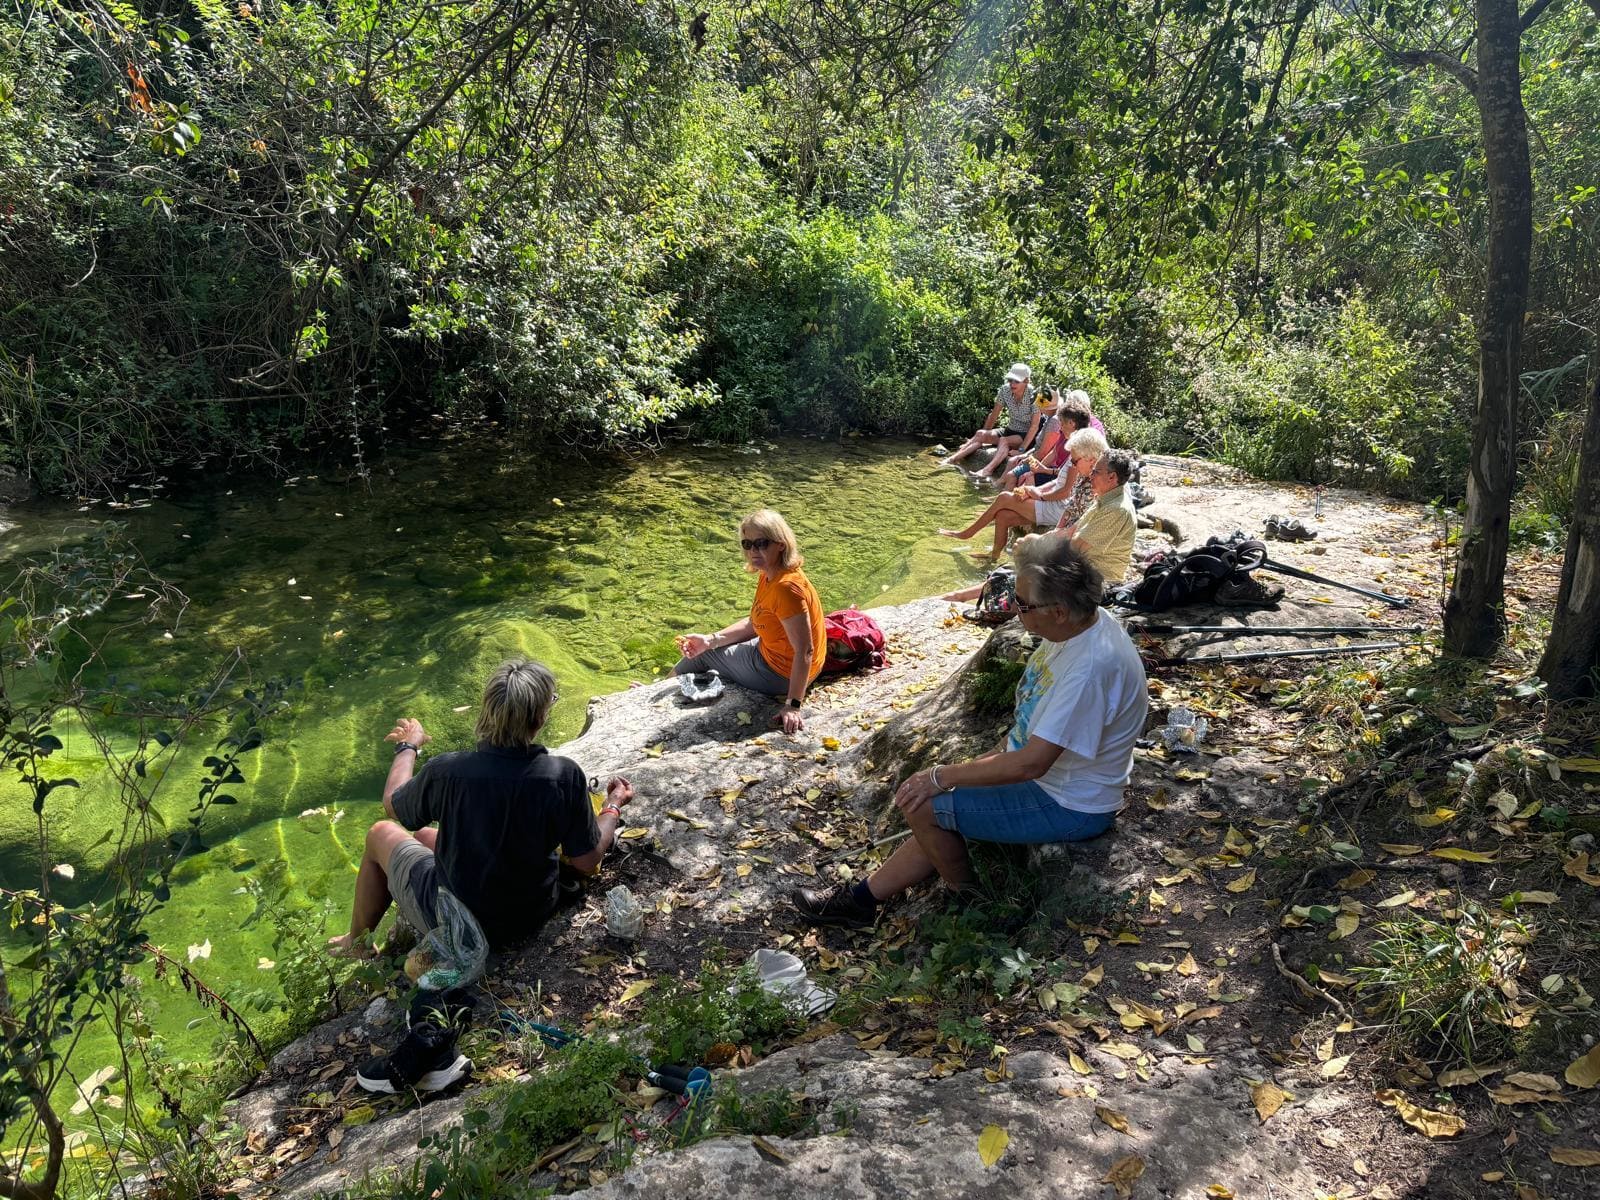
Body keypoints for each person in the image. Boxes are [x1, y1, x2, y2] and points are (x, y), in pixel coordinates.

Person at [793, 536, 1148, 927]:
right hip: (1056, 783)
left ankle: (972, 901)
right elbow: (1030, 740)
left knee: (926, 805)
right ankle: (862, 898)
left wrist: (939, 776)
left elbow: (1031, 765)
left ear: (1060, 611)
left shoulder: (1089, 669)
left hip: (1070, 803)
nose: (1015, 610)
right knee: (937, 797)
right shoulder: (1078, 629)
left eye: (1023, 604)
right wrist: (968, 772)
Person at [327, 659, 632, 959]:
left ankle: (355, 944)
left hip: (460, 924)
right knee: (422, 835)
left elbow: (394, 804)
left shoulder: (447, 772)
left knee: (380, 833)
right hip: (529, 912)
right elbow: (586, 859)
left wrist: (409, 747)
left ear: (488, 711)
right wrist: (611, 806)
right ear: (539, 719)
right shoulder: (563, 775)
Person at [674, 509, 825, 735]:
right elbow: (757, 622)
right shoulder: (771, 573)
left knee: (703, 654)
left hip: (780, 673)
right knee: (708, 646)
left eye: (761, 543)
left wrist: (793, 704)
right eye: (747, 544)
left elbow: (804, 651)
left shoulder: (785, 588)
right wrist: (711, 639)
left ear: (781, 544)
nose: (753, 551)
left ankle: (651, 690)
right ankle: (661, 684)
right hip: (777, 657)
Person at [939, 427, 1109, 559]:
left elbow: (1068, 499)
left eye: (1074, 460)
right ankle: (994, 556)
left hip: (1057, 511)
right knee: (1003, 516)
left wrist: (1038, 495)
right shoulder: (1083, 470)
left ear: (1091, 459)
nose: (1072, 463)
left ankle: (967, 533)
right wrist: (1034, 492)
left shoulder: (1097, 485)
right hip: (1058, 511)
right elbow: (1063, 492)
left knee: (1005, 497)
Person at [941, 363, 1041, 478]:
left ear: (1026, 381)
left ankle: (987, 470)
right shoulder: (1005, 390)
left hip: (1026, 434)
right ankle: (951, 460)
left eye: (1016, 381)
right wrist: (982, 436)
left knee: (1004, 440)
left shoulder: (1034, 395)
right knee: (980, 434)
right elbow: (994, 415)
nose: (1012, 384)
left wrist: (1021, 450)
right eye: (1010, 380)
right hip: (1010, 429)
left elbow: (1034, 426)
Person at [1056, 449, 1138, 586]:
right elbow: (1071, 532)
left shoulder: (1116, 509)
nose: (1091, 475)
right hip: (1084, 570)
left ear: (1112, 477)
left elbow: (1076, 547)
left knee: (1032, 578)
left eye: (1095, 472)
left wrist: (1039, 549)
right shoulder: (1104, 499)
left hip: (1098, 581)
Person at [1000, 396, 1092, 490]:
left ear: (1071, 423)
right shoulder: (1064, 433)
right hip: (1052, 472)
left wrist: (1041, 470)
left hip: (1059, 480)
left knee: (1020, 477)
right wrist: (1035, 469)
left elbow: (1063, 474)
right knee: (1024, 476)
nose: (1060, 427)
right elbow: (1054, 452)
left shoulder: (1077, 445)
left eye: (1062, 424)